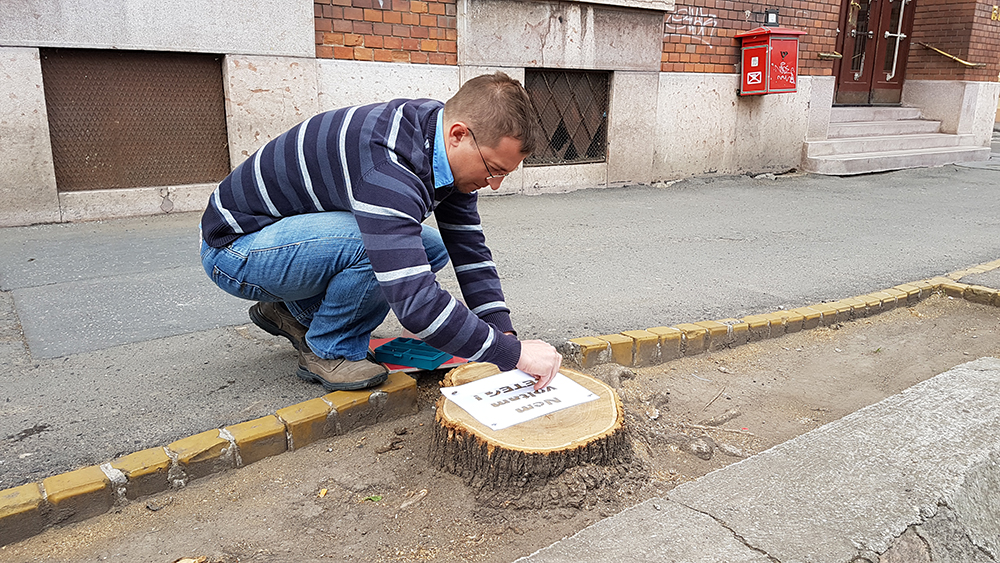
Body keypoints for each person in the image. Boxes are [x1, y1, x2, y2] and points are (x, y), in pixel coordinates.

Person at [200, 72, 562, 393]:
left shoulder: (436, 139)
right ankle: (332, 349)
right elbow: (416, 304)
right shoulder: (388, 166)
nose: (494, 185)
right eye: (493, 169)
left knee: (429, 247)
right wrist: (513, 355)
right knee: (373, 249)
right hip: (235, 248)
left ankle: (294, 314)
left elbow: (469, 251)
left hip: (285, 238)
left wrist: (504, 333)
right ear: (458, 135)